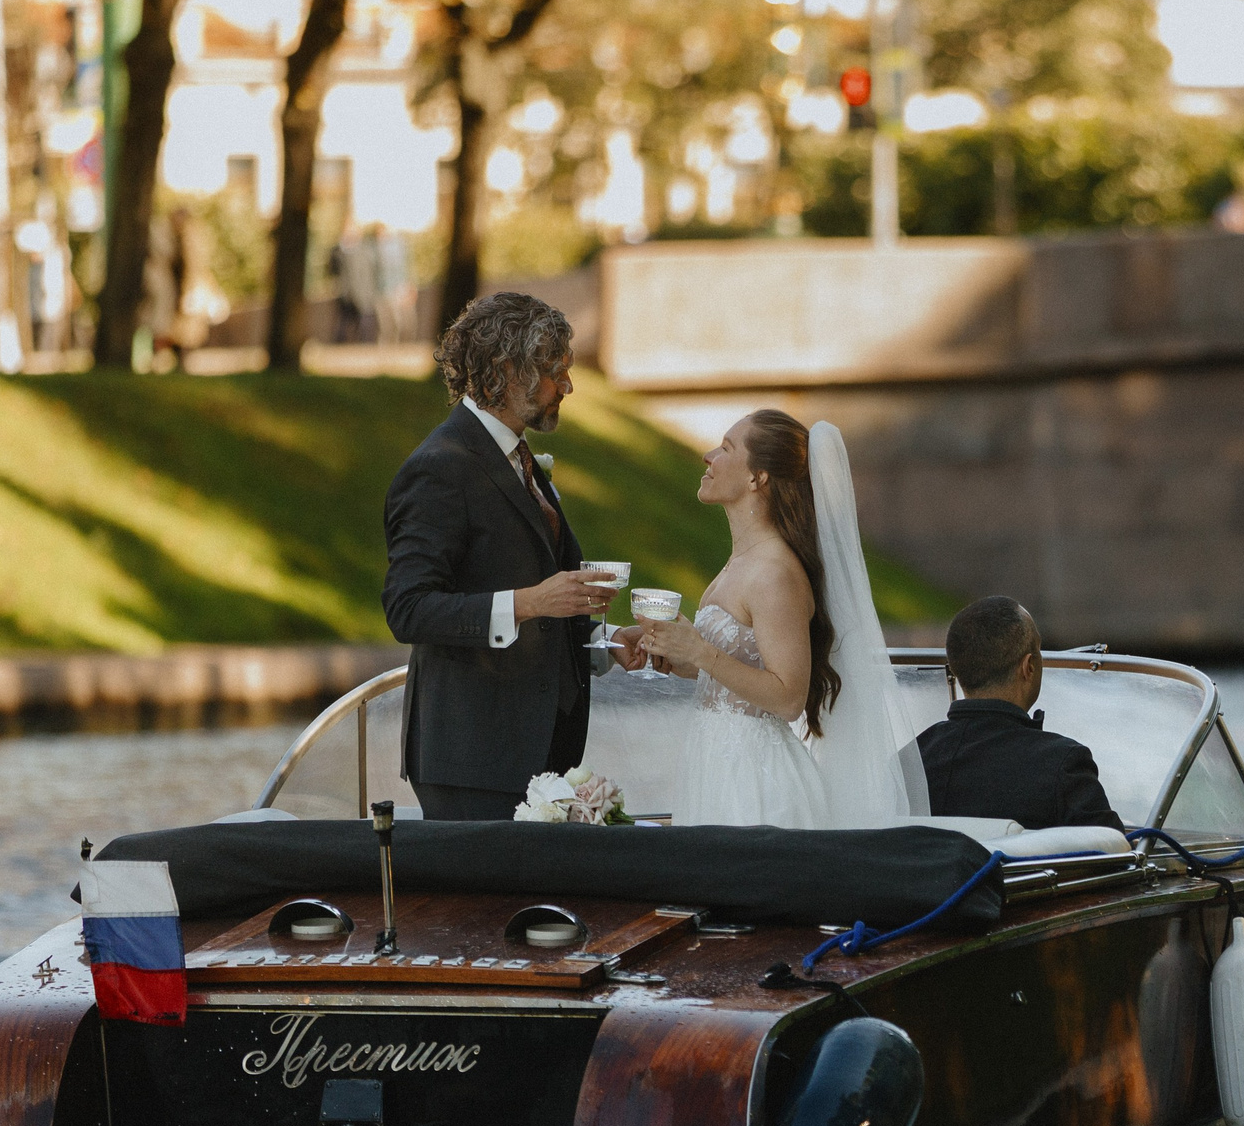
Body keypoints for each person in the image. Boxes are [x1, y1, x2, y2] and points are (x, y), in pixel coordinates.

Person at [382, 291, 636, 820]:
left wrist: (606, 644)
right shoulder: (441, 466)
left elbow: (542, 601)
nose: (568, 385)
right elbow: (408, 608)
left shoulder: (517, 455)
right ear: (505, 369)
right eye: (554, 370)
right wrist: (528, 601)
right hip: (472, 759)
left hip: (539, 754)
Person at [627, 410, 925, 828]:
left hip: (756, 786)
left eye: (727, 448)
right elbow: (740, 668)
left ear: (757, 478)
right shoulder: (741, 562)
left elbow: (788, 697)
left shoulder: (774, 573)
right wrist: (674, 652)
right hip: (714, 770)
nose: (708, 456)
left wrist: (700, 650)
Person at [915, 596, 1122, 832]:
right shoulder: (1064, 765)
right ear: (1028, 667)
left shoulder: (910, 762)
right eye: (1039, 651)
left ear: (956, 668)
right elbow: (1114, 853)